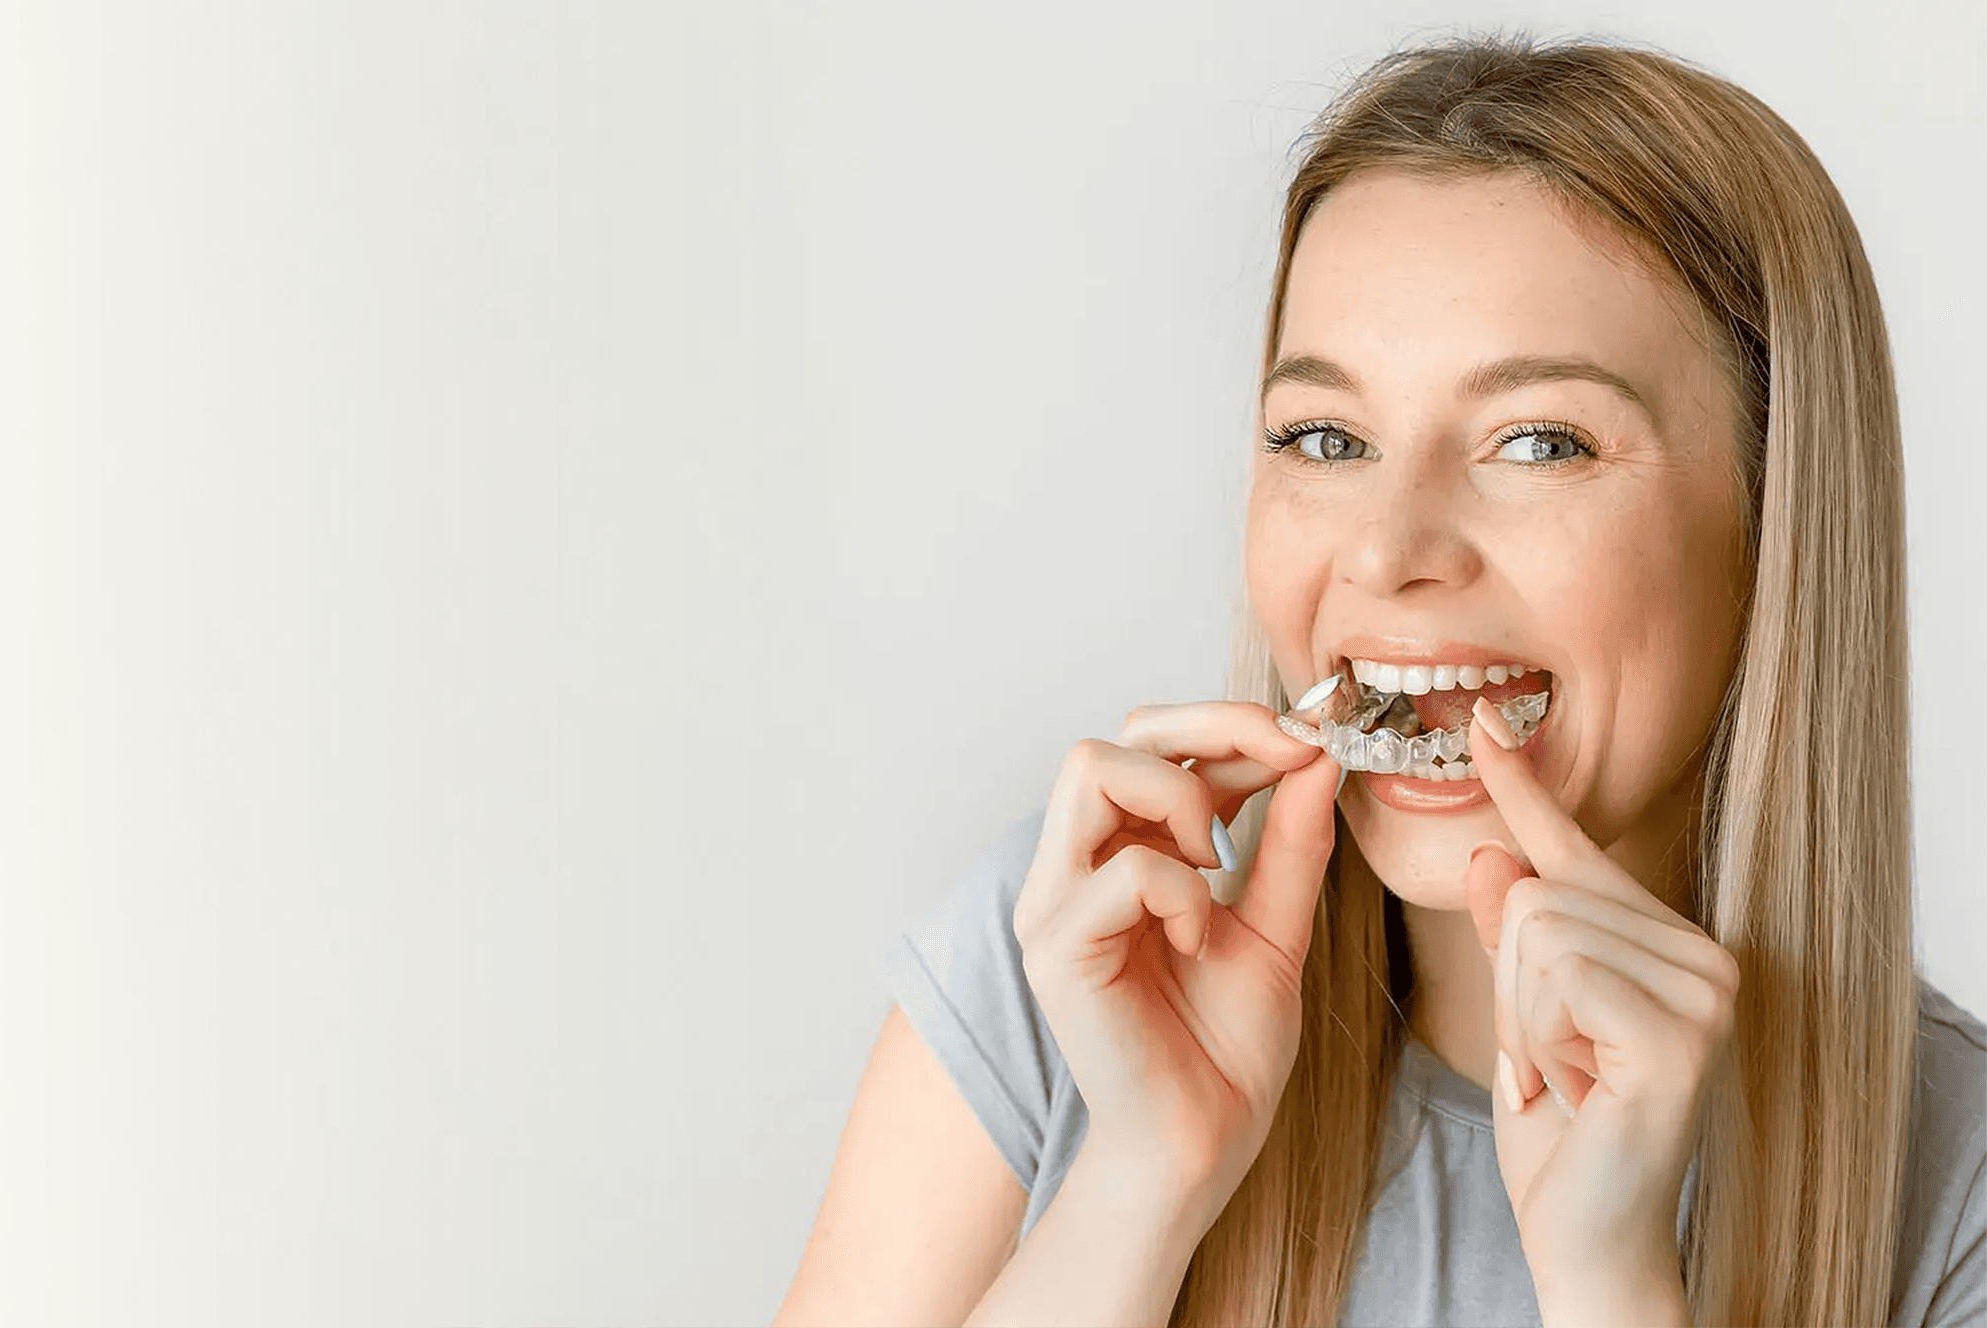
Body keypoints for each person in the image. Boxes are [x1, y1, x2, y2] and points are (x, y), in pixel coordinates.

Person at [773, 31, 1985, 1328]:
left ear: (1775, 523)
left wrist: (1615, 1287)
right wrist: (1140, 1178)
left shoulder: (1956, 1187)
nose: (1388, 550)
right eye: (1327, 436)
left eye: (1538, 441)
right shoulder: (1069, 966)